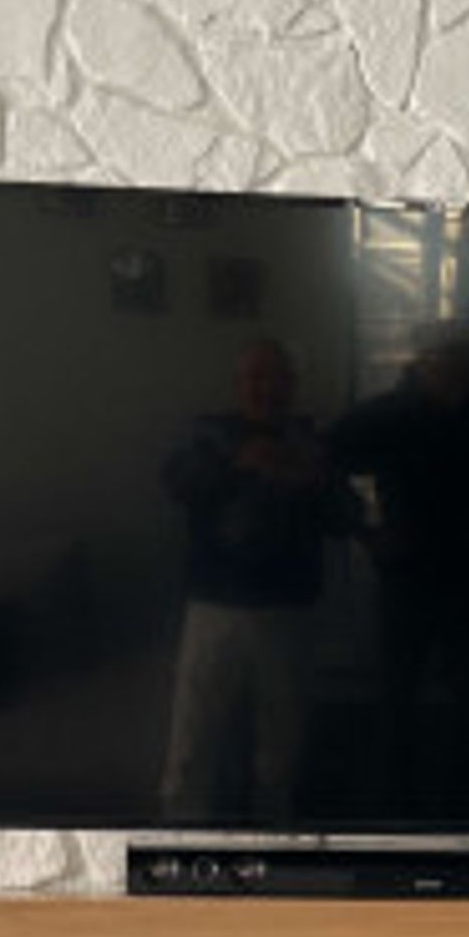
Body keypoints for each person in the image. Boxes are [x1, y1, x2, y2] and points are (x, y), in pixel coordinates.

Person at [330, 321, 469, 817]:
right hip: (411, 578)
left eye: (462, 357)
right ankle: (401, 810)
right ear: (422, 362)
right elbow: (325, 464)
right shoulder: (391, 417)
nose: (454, 367)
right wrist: (365, 529)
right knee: (401, 702)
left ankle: (464, 813)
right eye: (444, 358)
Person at [160, 337, 350, 823]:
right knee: (192, 739)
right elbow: (175, 484)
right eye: (255, 377)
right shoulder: (207, 435)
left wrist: (309, 480)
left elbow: (346, 517)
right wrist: (236, 462)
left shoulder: (314, 440)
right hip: (214, 606)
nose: (267, 388)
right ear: (237, 384)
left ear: (293, 385)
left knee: (281, 744)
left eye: (278, 377)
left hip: (288, 609)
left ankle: (275, 838)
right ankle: (181, 844)